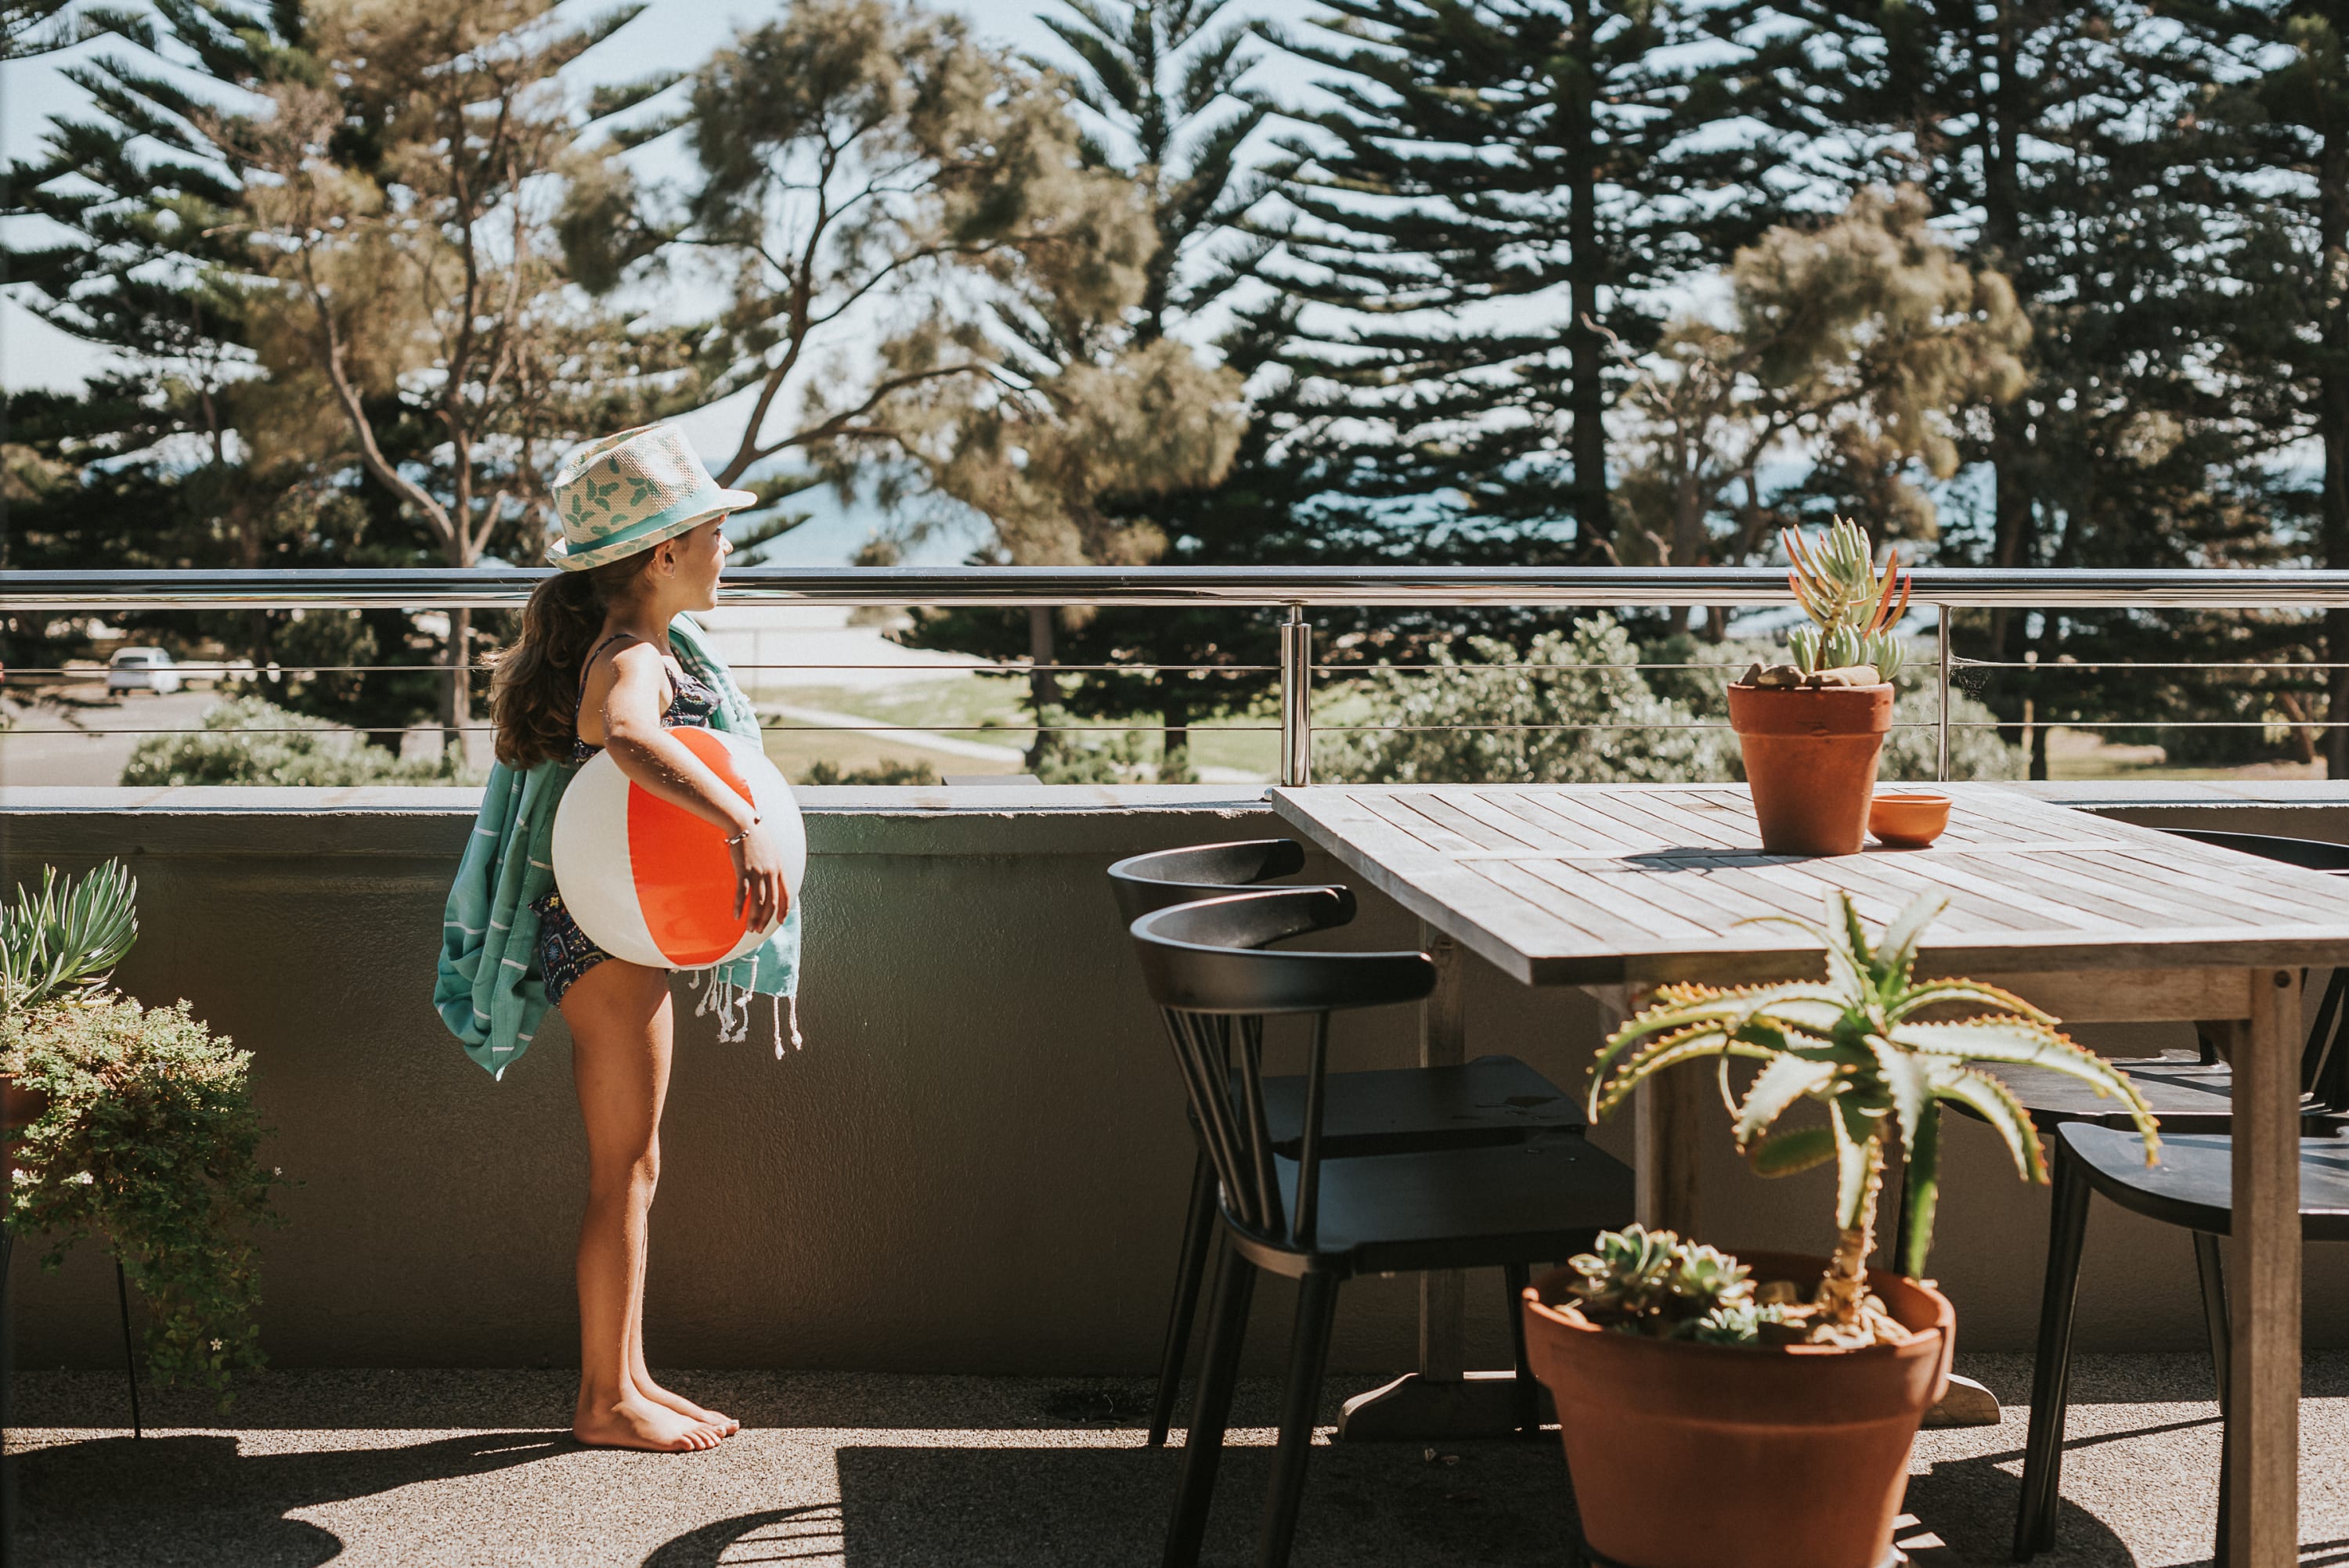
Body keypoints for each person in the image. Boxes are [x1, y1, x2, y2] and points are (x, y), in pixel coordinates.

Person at [436, 424, 800, 1453]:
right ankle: (605, 1399)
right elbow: (627, 736)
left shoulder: (630, 643)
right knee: (625, 1167)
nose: (728, 547)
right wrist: (741, 821)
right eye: (716, 530)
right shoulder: (632, 657)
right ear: (662, 552)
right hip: (601, 939)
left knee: (634, 1165)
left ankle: (630, 1377)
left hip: (601, 927)